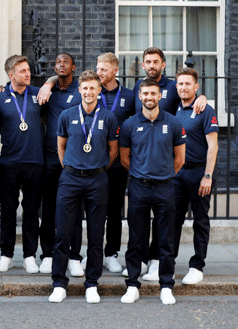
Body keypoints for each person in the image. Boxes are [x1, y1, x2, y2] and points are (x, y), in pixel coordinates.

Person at [132, 47, 206, 281]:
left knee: (173, 219)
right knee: (148, 219)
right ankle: (144, 260)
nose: (151, 65)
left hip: (172, 167)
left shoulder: (174, 88)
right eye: (148, 61)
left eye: (156, 61)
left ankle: (177, 264)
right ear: (143, 65)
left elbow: (190, 95)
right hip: (143, 163)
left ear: (163, 65)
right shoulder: (138, 87)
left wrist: (202, 97)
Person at [48, 70, 118, 304]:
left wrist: (97, 168)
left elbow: (113, 150)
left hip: (97, 179)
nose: (88, 92)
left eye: (93, 88)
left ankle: (91, 283)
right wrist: (71, 167)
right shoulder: (67, 115)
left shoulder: (108, 117)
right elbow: (61, 147)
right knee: (63, 232)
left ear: (100, 90)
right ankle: (59, 283)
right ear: (80, 90)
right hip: (70, 178)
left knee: (96, 234)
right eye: (84, 88)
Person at [119, 78, 186, 305]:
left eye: (153, 94)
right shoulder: (129, 124)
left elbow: (180, 159)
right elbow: (125, 158)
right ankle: (132, 285)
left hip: (165, 187)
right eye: (145, 94)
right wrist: (142, 173)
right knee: (136, 239)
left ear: (160, 96)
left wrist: (163, 173)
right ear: (140, 96)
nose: (149, 97)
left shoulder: (173, 123)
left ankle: (166, 286)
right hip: (138, 187)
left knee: (166, 240)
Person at [0, 55, 46, 274]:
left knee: (31, 212)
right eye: (22, 71)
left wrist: (49, 83)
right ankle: (6, 255)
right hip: (9, 163)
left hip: (35, 162)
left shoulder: (38, 94)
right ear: (11, 74)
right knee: (8, 211)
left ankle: (30, 256)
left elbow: (54, 84)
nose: (28, 73)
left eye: (28, 70)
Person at [38, 53, 84, 276]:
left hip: (74, 159)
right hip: (50, 157)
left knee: (75, 209)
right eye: (58, 63)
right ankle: (47, 254)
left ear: (73, 67)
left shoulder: (80, 90)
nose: (61, 65)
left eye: (66, 62)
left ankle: (75, 256)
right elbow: (43, 116)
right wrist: (49, 82)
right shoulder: (50, 91)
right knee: (48, 208)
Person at [172, 67, 219, 285]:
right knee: (172, 220)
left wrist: (207, 175)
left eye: (188, 84)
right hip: (178, 173)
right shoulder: (175, 109)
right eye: (180, 84)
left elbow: (213, 145)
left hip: (199, 172)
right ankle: (167, 264)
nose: (183, 87)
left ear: (196, 86)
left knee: (200, 220)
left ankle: (197, 265)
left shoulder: (205, 110)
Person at [95, 53, 135, 273]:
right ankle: (93, 253)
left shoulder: (129, 96)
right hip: (93, 161)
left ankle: (111, 253)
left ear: (115, 71)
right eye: (98, 68)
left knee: (114, 210)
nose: (99, 72)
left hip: (118, 163)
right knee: (93, 209)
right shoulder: (91, 92)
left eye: (103, 69)